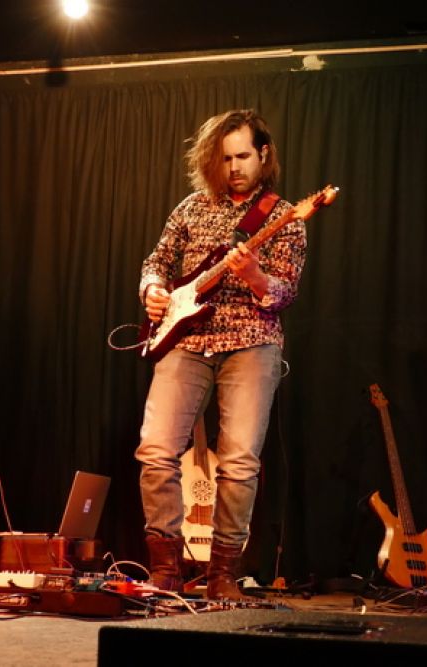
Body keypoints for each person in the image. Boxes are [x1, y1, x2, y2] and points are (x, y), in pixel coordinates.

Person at [135, 109, 306, 599]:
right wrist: (152, 289)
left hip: (251, 343)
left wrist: (254, 276)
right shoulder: (191, 208)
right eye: (226, 158)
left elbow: (285, 293)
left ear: (264, 155)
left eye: (243, 157)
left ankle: (223, 575)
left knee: (239, 462)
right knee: (155, 450)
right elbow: (157, 260)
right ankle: (165, 570)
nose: (234, 167)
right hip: (186, 341)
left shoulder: (285, 217)